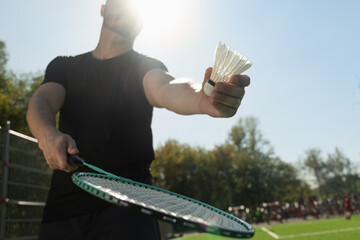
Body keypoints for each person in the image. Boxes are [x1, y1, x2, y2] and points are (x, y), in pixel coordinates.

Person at [26, 0, 251, 239]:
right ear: (103, 8)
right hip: (61, 215)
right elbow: (41, 103)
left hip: (129, 215)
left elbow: (168, 86)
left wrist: (199, 98)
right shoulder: (64, 66)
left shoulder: (145, 67)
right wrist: (47, 135)